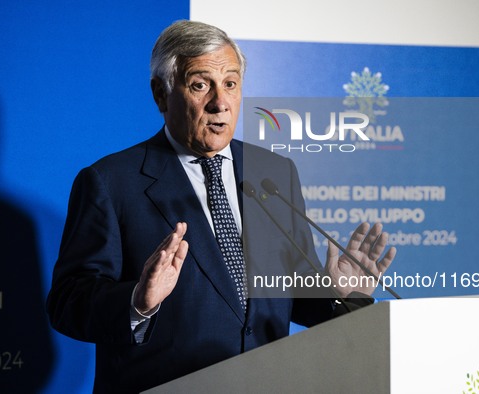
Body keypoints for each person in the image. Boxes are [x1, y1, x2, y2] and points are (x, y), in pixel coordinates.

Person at [46, 20, 396, 393]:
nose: (220, 102)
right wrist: (137, 301)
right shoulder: (112, 181)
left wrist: (335, 294)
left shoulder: (273, 173)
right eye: (200, 85)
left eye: (230, 83)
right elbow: (68, 302)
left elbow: (288, 296)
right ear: (161, 95)